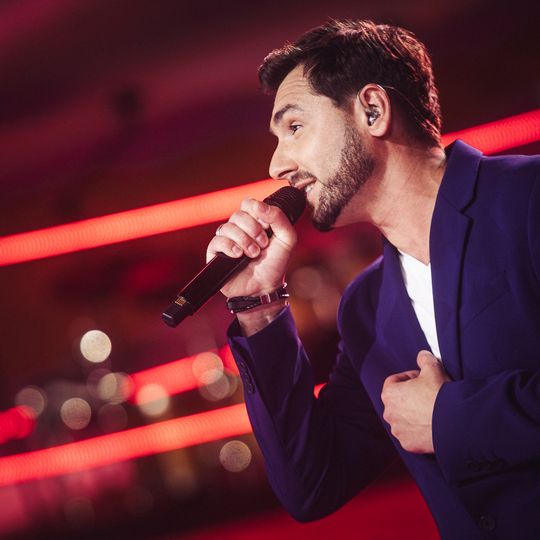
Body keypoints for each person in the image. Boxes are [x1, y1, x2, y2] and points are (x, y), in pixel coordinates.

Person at [206, 19, 540, 539]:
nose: (276, 165)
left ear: (372, 110)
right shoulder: (367, 307)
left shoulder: (528, 200)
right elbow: (313, 484)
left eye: (294, 127)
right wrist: (258, 308)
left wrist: (450, 420)